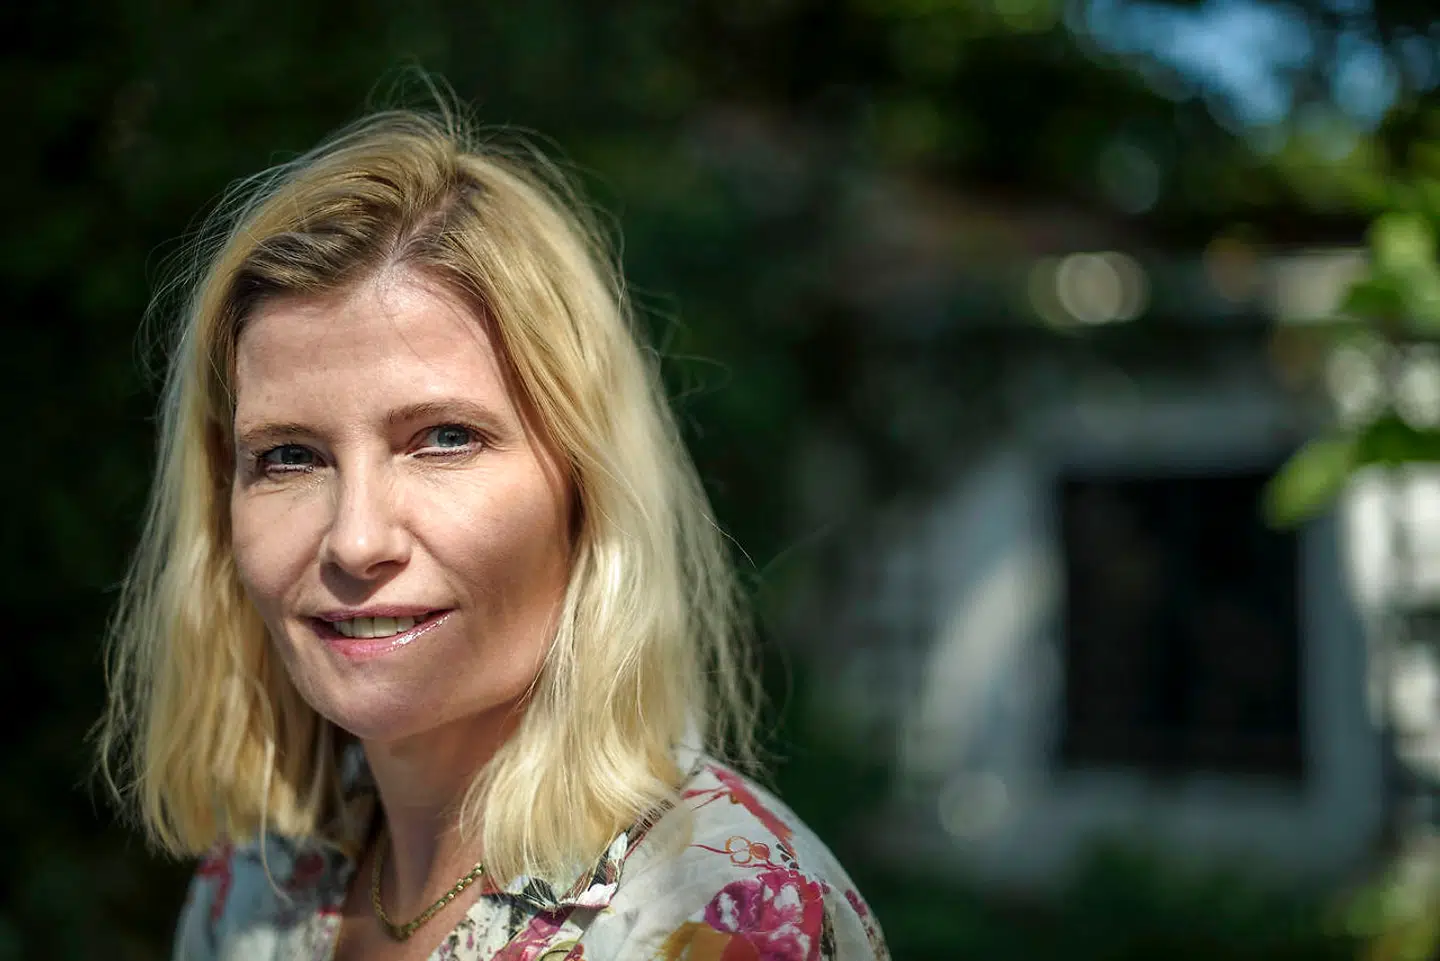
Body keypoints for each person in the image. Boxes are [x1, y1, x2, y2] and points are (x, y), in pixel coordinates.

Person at [97, 106, 890, 961]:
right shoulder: (256, 889)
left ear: (586, 488)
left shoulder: (725, 917)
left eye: (444, 438)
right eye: (289, 456)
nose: (355, 540)